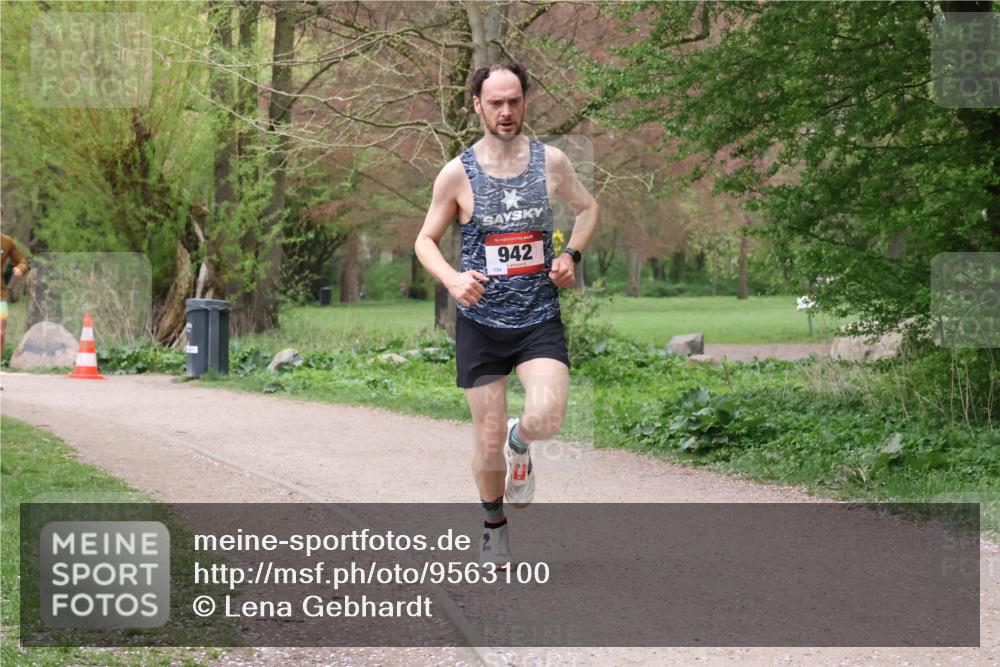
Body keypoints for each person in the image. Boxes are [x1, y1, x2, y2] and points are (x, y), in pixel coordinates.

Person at [414, 62, 599, 567]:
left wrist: (570, 257)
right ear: (477, 105)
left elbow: (588, 209)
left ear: (525, 101)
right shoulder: (458, 172)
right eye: (495, 102)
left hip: (537, 316)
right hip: (481, 322)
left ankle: (524, 440)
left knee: (547, 415)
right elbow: (424, 241)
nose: (506, 111)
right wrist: (453, 279)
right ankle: (494, 524)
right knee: (486, 437)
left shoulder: (551, 162)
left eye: (514, 100)